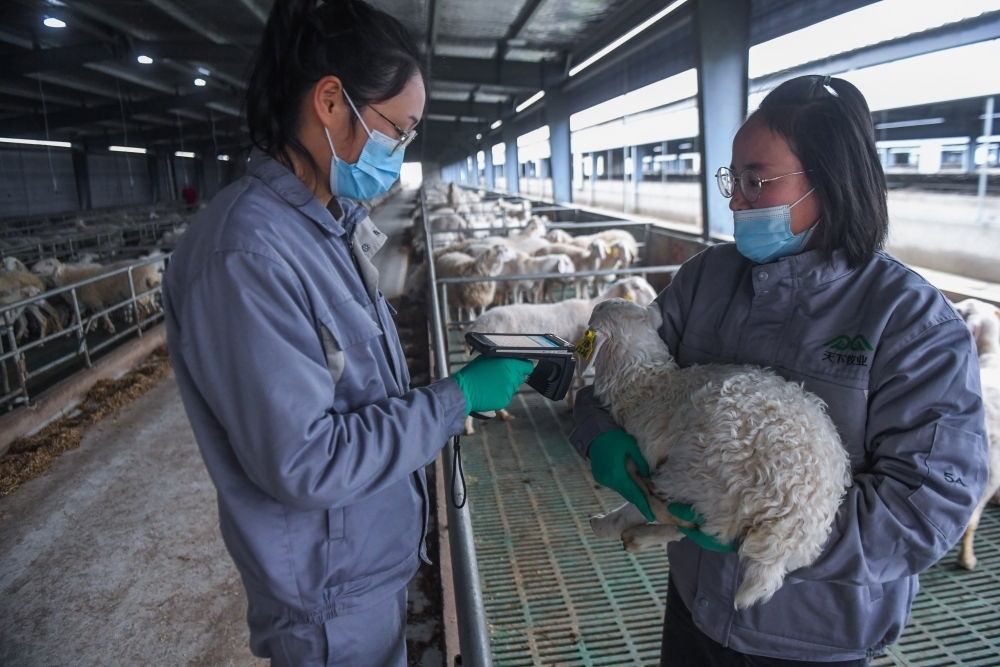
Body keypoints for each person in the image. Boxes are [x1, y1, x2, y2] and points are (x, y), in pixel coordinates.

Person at [570, 74, 989, 666]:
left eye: (755, 181)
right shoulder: (706, 280)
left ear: (829, 181)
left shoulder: (908, 320)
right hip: (694, 604)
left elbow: (927, 507)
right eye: (733, 180)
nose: (736, 200)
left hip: (813, 635)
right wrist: (599, 436)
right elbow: (623, 371)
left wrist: (768, 535)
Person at [162, 1, 531, 664]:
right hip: (327, 603)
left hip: (359, 571)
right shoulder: (247, 255)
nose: (400, 153)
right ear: (331, 102)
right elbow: (306, 461)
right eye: (397, 132)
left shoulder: (325, 228)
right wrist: (457, 399)